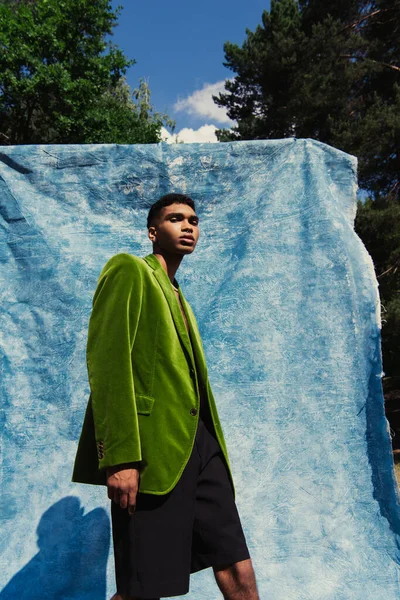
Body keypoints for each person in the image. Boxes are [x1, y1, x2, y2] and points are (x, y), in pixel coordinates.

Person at [72, 193, 259, 600]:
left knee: (236, 561)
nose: (189, 226)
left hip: (201, 446)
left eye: (193, 219)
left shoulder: (179, 295)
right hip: (152, 452)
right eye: (177, 219)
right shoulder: (129, 271)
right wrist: (120, 457)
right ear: (154, 231)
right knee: (144, 588)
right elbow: (108, 363)